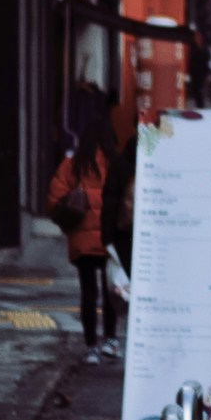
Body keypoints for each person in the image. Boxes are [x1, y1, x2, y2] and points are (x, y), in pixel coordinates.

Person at [48, 122, 116, 341]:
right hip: (111, 240)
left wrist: (68, 223)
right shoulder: (115, 164)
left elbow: (54, 201)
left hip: (82, 240)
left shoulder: (72, 165)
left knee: (88, 292)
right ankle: (111, 340)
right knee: (111, 292)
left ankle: (91, 346)